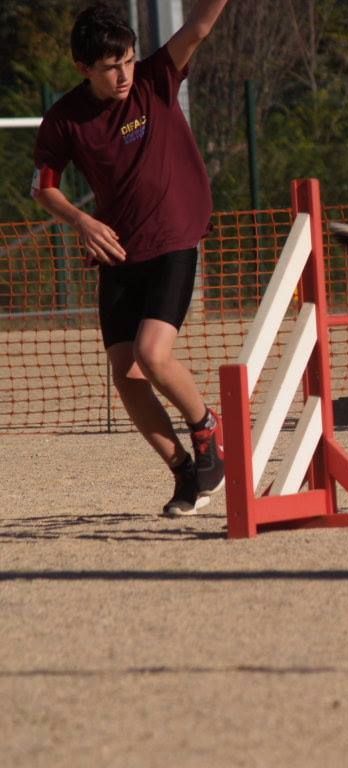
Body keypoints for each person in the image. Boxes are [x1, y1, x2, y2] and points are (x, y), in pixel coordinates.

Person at [31, 1, 231, 516]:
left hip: (174, 236)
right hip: (119, 249)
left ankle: (208, 430)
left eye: (127, 60)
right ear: (83, 69)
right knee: (125, 373)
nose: (122, 74)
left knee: (152, 354)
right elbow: (43, 188)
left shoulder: (155, 78)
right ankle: (187, 472)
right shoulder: (64, 119)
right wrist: (82, 221)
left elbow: (201, 25)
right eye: (109, 67)